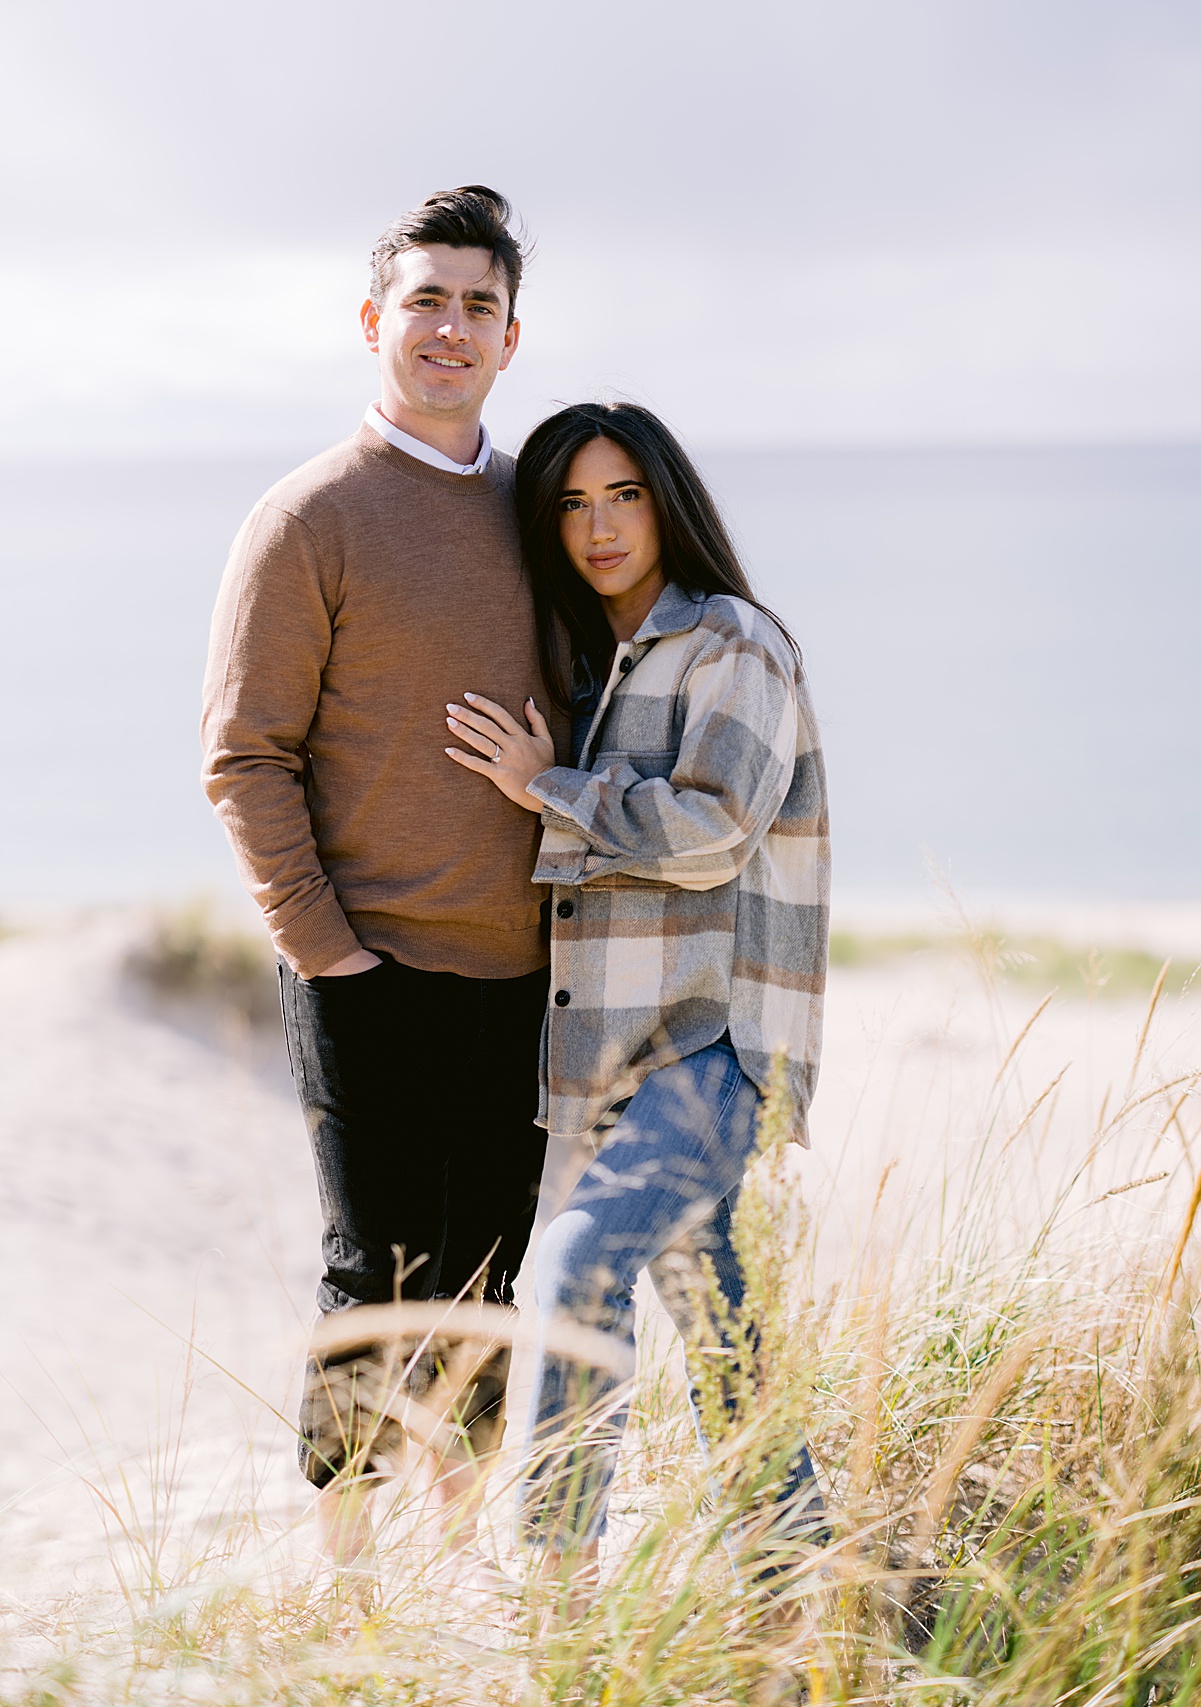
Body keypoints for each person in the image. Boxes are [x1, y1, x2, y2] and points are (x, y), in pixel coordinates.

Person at [200, 186, 556, 1572]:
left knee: (486, 1287)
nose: (451, 326)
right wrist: (329, 950)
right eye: (427, 299)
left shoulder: (538, 512)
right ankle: (349, 1576)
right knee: (376, 1276)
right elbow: (244, 756)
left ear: (511, 338)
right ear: (374, 322)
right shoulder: (308, 517)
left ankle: (455, 1566)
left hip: (524, 973)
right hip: (367, 971)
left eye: (478, 303)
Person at [443, 401, 830, 1609]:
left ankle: (557, 1597)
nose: (598, 527)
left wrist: (543, 788)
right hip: (604, 1063)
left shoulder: (733, 645)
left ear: (667, 503)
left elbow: (713, 829)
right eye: (569, 503)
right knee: (724, 1346)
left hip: (715, 1046)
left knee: (567, 1282)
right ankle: (800, 1598)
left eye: (623, 497)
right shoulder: (579, 663)